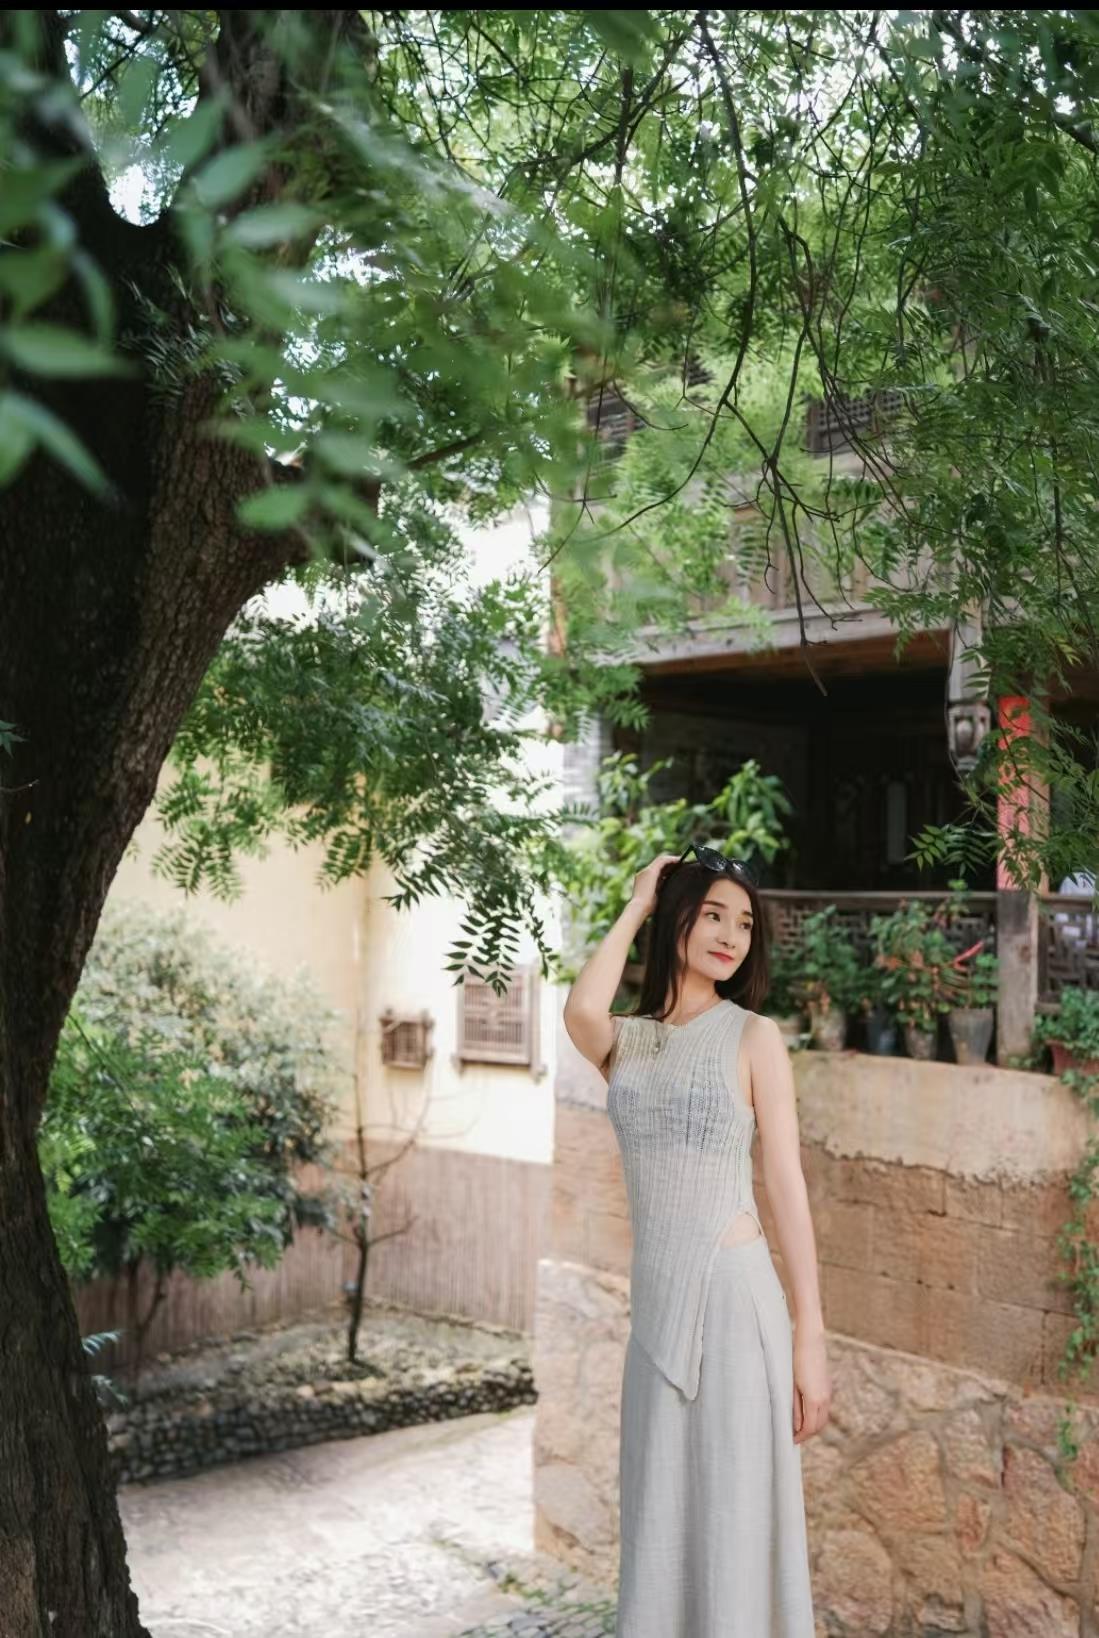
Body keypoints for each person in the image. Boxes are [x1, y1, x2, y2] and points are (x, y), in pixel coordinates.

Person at [563, 844, 829, 1636]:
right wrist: (638, 899)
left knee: (735, 1521)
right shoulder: (628, 1040)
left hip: (734, 1302)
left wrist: (809, 1335)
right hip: (655, 1314)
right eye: (712, 914)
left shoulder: (753, 1037)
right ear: (676, 917)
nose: (729, 936)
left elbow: (784, 1182)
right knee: (660, 1520)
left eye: (743, 924)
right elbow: (579, 1011)